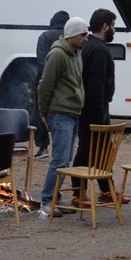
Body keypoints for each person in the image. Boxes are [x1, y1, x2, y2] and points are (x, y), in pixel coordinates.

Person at [71, 8, 126, 204]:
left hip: (87, 106)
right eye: (112, 25)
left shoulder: (87, 46)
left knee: (100, 150)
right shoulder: (101, 50)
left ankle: (105, 190)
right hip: (95, 108)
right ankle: (78, 193)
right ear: (104, 26)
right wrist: (100, 114)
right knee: (89, 149)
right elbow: (96, 85)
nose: (114, 30)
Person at [36, 16, 89, 218]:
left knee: (65, 160)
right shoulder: (58, 54)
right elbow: (45, 84)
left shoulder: (77, 53)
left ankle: (55, 199)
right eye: (83, 34)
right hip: (60, 113)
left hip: (72, 112)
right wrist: (43, 111)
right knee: (59, 159)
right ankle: (47, 202)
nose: (86, 38)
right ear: (73, 35)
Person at [32, 10, 70, 159]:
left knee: (39, 113)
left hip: (44, 82)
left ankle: (43, 148)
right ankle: (59, 149)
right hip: (64, 85)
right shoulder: (69, 38)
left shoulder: (45, 36)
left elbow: (41, 62)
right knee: (60, 115)